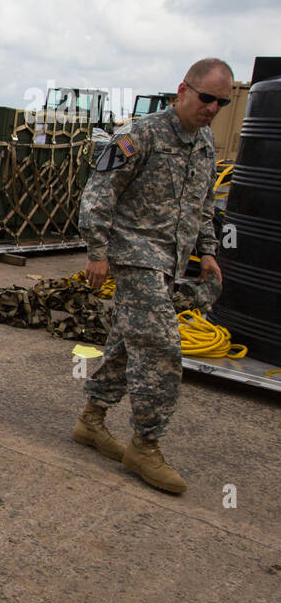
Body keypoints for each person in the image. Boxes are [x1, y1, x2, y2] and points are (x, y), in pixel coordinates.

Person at [74, 58, 228, 494]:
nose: (213, 107)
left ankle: (91, 421)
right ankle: (146, 444)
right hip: (135, 256)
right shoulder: (139, 135)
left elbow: (202, 203)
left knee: (128, 343)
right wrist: (97, 252)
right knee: (161, 348)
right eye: (207, 98)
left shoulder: (204, 144)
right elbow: (98, 194)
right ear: (183, 90)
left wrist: (209, 252)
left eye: (222, 101)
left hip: (171, 262)